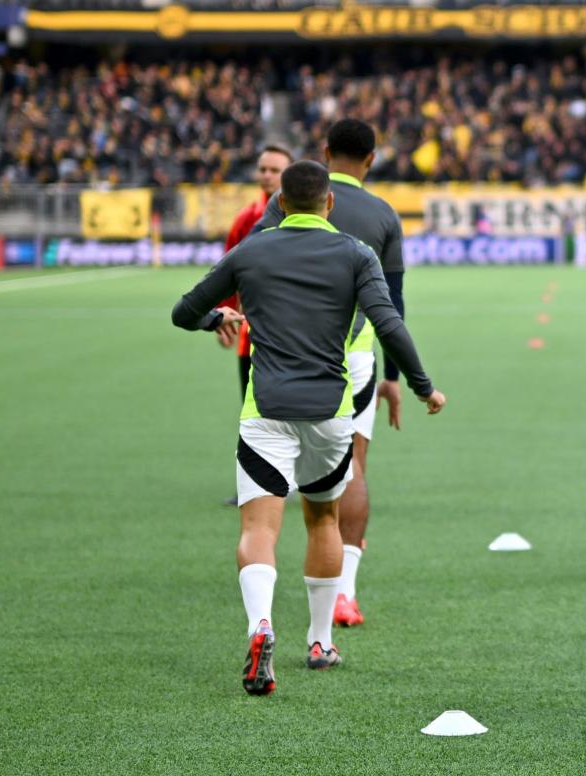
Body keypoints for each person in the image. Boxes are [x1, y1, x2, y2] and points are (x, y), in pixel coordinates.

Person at [171, 161, 446, 696]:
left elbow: (185, 311)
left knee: (258, 529)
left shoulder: (252, 248)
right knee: (322, 521)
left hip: (267, 410)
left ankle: (261, 627)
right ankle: (320, 641)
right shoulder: (355, 254)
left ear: (279, 200)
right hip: (329, 414)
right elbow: (388, 324)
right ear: (330, 203)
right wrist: (421, 385)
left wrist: (215, 320)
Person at [251, 120, 406, 629]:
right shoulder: (383, 214)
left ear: (324, 151)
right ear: (372, 158)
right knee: (353, 464)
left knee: (272, 480)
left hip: (287, 351)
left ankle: (264, 592)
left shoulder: (293, 196)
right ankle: (345, 592)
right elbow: (393, 307)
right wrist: (395, 378)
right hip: (354, 354)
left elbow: (249, 257)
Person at [218, 146, 292, 506]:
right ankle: (255, 483)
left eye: (274, 169)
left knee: (303, 409)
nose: (265, 175)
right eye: (262, 168)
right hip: (254, 336)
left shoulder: (303, 216)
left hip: (298, 332)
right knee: (253, 411)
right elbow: (227, 268)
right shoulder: (247, 218)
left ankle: (310, 480)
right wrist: (224, 314)